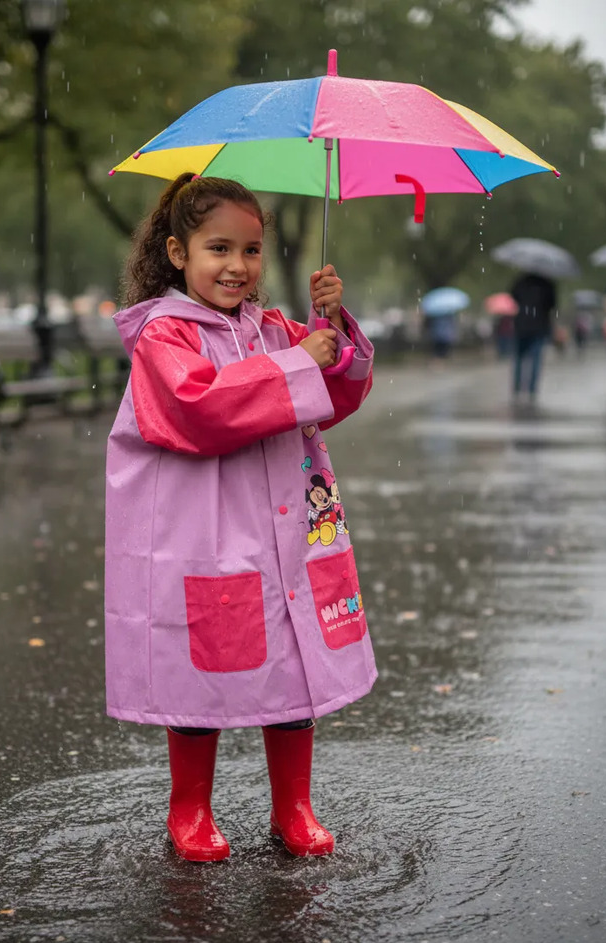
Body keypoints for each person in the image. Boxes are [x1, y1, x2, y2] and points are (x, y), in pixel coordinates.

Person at [104, 173, 377, 862]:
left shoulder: (274, 328)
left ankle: (294, 807)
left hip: (286, 534)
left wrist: (331, 328)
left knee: (295, 668)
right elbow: (200, 407)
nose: (237, 266)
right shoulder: (165, 334)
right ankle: (190, 809)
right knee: (204, 669)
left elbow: (335, 396)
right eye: (218, 248)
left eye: (251, 250)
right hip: (210, 535)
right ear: (178, 253)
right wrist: (294, 366)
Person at [510, 271, 557, 399]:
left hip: (522, 325)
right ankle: (532, 389)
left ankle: (517, 387)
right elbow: (552, 304)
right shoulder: (548, 284)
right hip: (539, 326)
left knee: (519, 358)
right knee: (536, 358)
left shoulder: (521, 281)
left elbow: (513, 297)